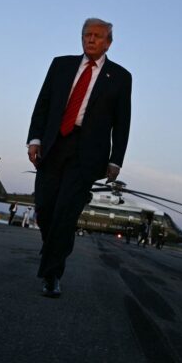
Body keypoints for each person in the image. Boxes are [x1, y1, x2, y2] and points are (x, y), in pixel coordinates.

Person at [27, 18, 132, 297]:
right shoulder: (60, 65)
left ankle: (52, 275)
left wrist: (116, 160)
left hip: (87, 154)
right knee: (45, 207)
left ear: (108, 43)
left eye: (97, 35)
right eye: (87, 34)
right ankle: (52, 248)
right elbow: (43, 103)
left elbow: (122, 123)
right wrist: (35, 139)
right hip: (53, 145)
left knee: (65, 214)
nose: (91, 39)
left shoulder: (121, 77)